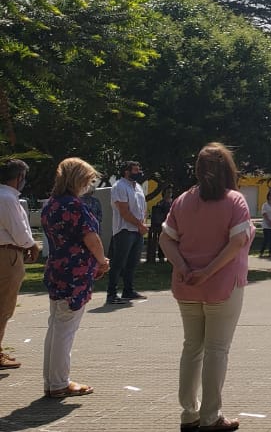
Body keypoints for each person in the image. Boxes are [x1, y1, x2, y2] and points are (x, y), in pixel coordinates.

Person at [158, 143, 255, 432]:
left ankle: (189, 413)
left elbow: (166, 239)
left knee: (192, 347)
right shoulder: (235, 201)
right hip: (223, 286)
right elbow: (237, 242)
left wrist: (184, 268)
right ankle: (211, 416)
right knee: (216, 350)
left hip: (186, 286)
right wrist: (208, 272)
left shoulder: (182, 200)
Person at [40, 157, 108, 398]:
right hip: (75, 273)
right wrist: (102, 261)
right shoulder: (75, 206)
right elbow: (91, 238)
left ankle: (51, 381)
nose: (89, 185)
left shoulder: (51, 205)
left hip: (57, 269)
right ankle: (59, 382)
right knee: (65, 329)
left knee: (55, 326)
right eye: (88, 180)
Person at [1, 158, 41, 371]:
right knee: (4, 305)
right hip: (7, 255)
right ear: (19, 177)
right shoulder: (7, 198)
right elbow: (18, 231)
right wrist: (32, 245)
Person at [107, 160, 149, 304]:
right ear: (127, 172)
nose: (139, 172)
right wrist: (140, 225)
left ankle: (128, 290)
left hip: (137, 230)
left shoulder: (138, 187)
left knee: (132, 262)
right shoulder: (119, 186)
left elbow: (142, 208)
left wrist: (143, 224)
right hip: (124, 230)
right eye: (136, 170)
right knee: (118, 262)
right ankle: (112, 294)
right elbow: (124, 211)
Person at [148, 188, 173, 263]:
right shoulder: (161, 203)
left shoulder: (173, 203)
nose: (170, 194)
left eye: (170, 192)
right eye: (168, 192)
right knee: (162, 242)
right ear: (164, 193)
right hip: (162, 226)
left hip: (171, 226)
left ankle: (170, 258)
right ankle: (161, 257)